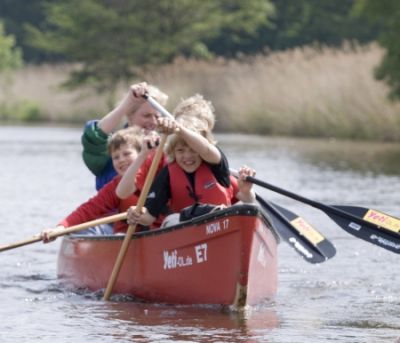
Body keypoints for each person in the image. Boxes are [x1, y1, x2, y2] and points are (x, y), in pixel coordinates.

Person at [125, 113, 256, 228]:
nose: (187, 156)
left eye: (193, 150)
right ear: (173, 152)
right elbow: (149, 217)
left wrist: (246, 191)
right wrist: (137, 214)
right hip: (185, 228)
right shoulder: (168, 173)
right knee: (170, 220)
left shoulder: (215, 163)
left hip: (219, 223)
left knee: (248, 208)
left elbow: (248, 199)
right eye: (180, 150)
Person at [41, 127, 155, 242]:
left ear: (142, 154)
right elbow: (89, 209)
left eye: (126, 154)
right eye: (116, 157)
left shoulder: (156, 173)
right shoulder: (116, 185)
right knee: (82, 231)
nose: (121, 160)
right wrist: (60, 228)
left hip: (155, 234)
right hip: (124, 239)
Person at [82, 82, 168, 191]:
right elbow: (95, 137)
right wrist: (128, 103)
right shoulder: (113, 147)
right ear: (129, 115)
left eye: (157, 116)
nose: (153, 121)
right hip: (114, 207)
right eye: (146, 116)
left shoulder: (165, 149)